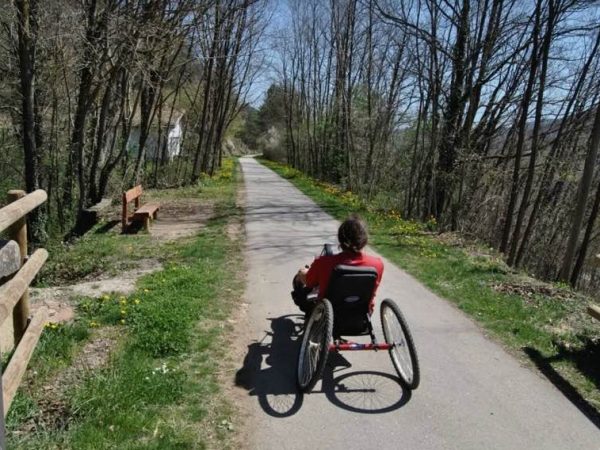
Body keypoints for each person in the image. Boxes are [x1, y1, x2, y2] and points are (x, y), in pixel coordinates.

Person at [291, 215, 384, 315]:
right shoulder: (377, 265)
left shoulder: (323, 262)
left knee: (302, 286)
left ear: (340, 239)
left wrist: (302, 273)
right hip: (361, 315)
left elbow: (309, 282)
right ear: (364, 240)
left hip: (329, 315)